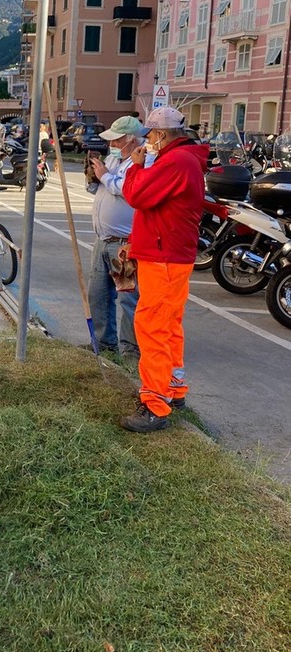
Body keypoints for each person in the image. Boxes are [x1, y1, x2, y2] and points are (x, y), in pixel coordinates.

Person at [120, 106, 209, 433]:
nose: (148, 141)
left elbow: (138, 195)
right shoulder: (185, 160)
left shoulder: (175, 162)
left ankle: (155, 403)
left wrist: (136, 167)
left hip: (164, 256)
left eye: (151, 135)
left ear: (161, 135)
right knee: (168, 325)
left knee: (152, 326)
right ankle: (173, 389)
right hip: (169, 253)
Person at [85, 115, 149, 360]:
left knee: (127, 298)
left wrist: (104, 176)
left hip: (124, 244)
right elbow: (101, 187)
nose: (112, 143)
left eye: (117, 139)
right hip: (103, 239)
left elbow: (129, 191)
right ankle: (104, 343)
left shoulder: (141, 162)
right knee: (98, 295)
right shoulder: (113, 158)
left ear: (131, 139)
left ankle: (130, 351)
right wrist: (93, 177)